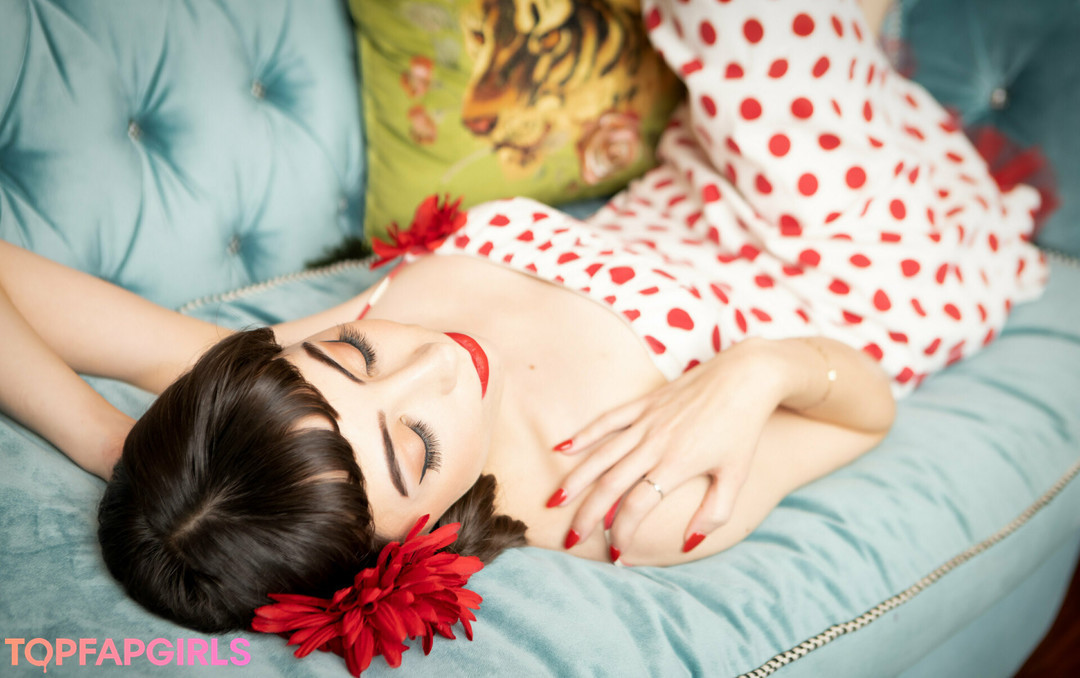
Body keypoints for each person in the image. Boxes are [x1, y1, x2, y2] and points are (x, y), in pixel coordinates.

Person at [0, 0, 1048, 644]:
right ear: (407, 548)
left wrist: (113, 442)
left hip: (700, 189)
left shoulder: (285, 403)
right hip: (867, 257)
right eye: (415, 444)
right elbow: (865, 412)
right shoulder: (616, 504)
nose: (434, 366)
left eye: (357, 352)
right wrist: (761, 371)